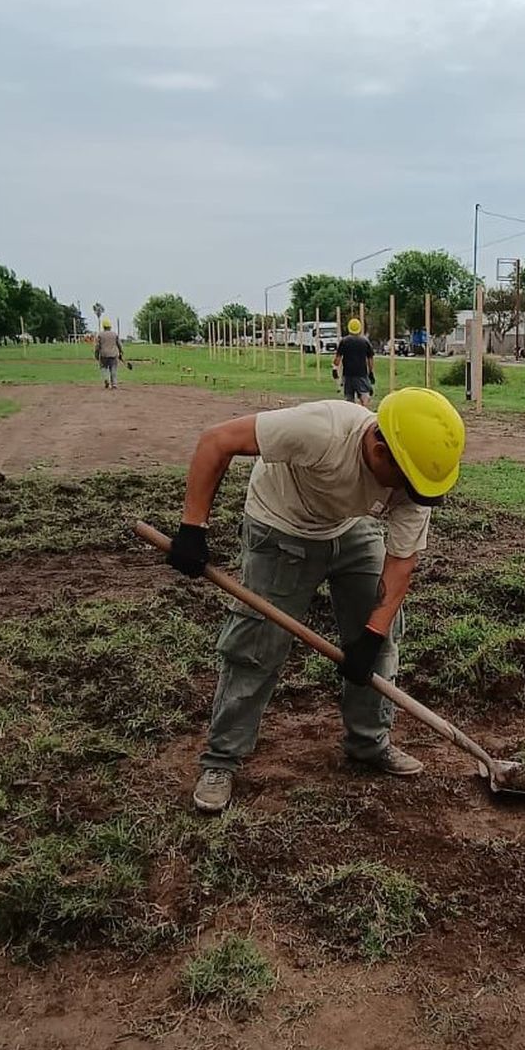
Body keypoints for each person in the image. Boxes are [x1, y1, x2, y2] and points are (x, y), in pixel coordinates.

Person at [166, 388, 466, 813]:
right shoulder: (321, 429)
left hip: (348, 525)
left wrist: (371, 635)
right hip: (281, 524)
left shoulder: (415, 480)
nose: (408, 492)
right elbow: (217, 439)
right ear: (380, 446)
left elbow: (401, 564)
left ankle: (368, 743)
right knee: (257, 644)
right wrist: (193, 527)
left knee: (379, 642)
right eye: (403, 479)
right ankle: (221, 761)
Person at [334, 318, 375, 407]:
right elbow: (370, 359)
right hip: (361, 374)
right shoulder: (365, 341)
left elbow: (337, 359)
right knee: (364, 395)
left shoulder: (344, 341)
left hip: (348, 374)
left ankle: (351, 417)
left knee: (349, 398)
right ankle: (364, 413)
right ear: (360, 328)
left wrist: (334, 369)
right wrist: (371, 372)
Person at [92, 318, 124, 389]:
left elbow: (97, 346)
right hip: (113, 355)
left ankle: (106, 379)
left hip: (103, 355)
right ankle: (114, 384)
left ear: (103, 326)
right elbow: (119, 345)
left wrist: (96, 355)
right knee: (113, 369)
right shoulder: (115, 334)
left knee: (103, 368)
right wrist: (121, 353)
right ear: (110, 326)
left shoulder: (100, 335)